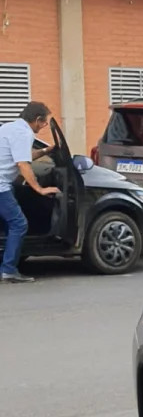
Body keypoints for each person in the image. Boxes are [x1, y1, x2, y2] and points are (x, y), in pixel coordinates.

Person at [0, 101, 58, 284]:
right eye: (44, 122)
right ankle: (8, 270)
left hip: (4, 185)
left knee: (9, 224)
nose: (44, 126)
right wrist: (39, 189)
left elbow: (24, 155)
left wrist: (46, 150)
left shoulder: (9, 127)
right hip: (1, 186)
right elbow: (23, 164)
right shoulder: (24, 133)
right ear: (37, 119)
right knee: (19, 224)